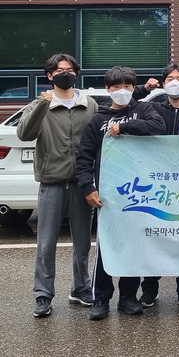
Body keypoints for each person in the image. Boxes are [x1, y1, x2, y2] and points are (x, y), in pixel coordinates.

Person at [76, 66, 166, 321]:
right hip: (108, 196)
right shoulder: (98, 120)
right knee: (106, 247)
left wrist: (124, 127)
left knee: (133, 246)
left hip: (138, 193)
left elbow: (158, 127)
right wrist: (88, 187)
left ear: (134, 88)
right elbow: (83, 158)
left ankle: (128, 297)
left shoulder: (145, 110)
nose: (122, 91)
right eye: (117, 87)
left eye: (127, 86)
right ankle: (101, 299)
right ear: (108, 89)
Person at [17, 54, 99, 318]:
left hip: (81, 183)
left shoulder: (89, 104)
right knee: (46, 243)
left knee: (83, 241)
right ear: (50, 75)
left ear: (76, 73)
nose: (65, 73)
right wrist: (42, 104)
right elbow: (24, 134)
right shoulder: (40, 103)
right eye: (59, 70)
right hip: (51, 181)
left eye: (70, 70)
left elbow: (98, 139)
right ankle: (43, 294)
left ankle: (81, 288)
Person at [132, 63, 179, 307]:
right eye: (169, 79)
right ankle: (150, 288)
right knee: (155, 236)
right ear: (163, 83)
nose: (175, 82)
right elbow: (125, 102)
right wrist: (144, 88)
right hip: (156, 182)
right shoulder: (153, 108)